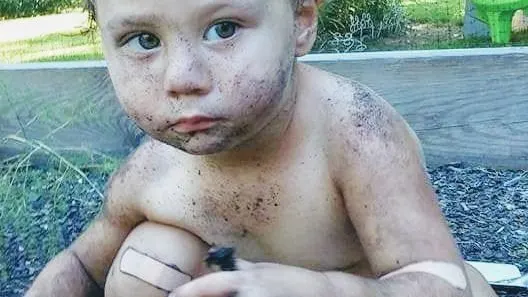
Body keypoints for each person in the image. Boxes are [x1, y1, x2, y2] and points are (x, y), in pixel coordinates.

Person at [24, 0, 498, 296]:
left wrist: (318, 290)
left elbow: (440, 281)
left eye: (224, 29)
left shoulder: (355, 132)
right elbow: (82, 266)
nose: (182, 78)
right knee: (142, 264)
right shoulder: (151, 175)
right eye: (143, 40)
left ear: (300, 23)